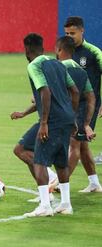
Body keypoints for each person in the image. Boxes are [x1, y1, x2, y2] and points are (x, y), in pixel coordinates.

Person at [22, 33, 79, 217]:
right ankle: (65, 204)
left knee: (39, 161)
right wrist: (72, 116)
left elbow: (45, 91)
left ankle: (45, 206)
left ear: (27, 49)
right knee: (61, 162)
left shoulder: (34, 66)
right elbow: (75, 91)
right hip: (66, 119)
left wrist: (44, 122)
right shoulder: (57, 64)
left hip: (52, 121)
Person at [64, 16, 102, 192]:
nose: (69, 36)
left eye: (73, 33)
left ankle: (58, 183)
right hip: (72, 105)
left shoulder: (93, 52)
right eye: (66, 33)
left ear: (82, 31)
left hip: (88, 105)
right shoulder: (66, 52)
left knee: (74, 143)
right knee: (83, 144)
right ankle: (94, 183)